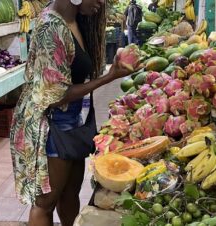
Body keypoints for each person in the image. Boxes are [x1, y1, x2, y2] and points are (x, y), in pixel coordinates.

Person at [9, 0, 135, 226]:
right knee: (45, 203)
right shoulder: (50, 28)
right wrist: (109, 77)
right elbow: (56, 96)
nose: (101, 3)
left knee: (69, 194)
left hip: (76, 118)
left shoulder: (76, 20)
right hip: (51, 124)